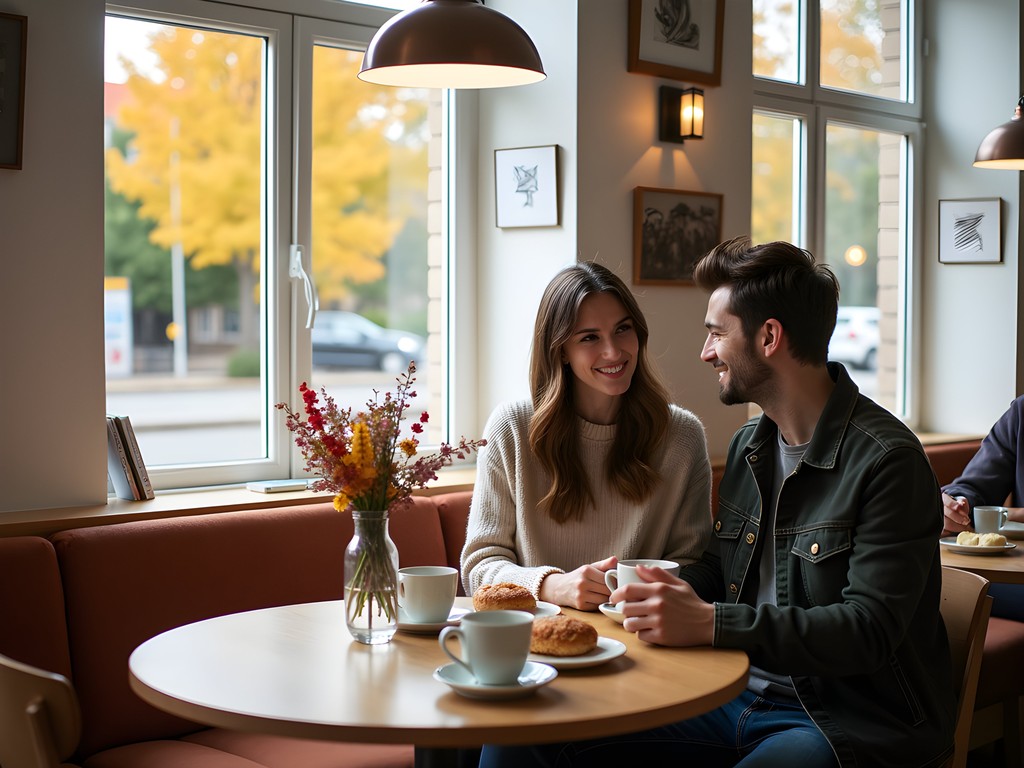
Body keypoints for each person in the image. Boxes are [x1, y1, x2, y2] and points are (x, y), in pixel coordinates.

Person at [480, 238, 955, 768]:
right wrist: (656, 587)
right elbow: (717, 568)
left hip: (844, 719)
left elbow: (868, 631)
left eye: (716, 334)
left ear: (769, 337)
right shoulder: (750, 445)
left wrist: (710, 623)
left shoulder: (887, 460)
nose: (706, 353)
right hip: (728, 693)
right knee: (520, 737)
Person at [460, 261, 712, 610]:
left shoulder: (681, 437)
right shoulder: (513, 427)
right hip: (536, 640)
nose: (613, 352)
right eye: (589, 337)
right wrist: (551, 585)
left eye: (623, 329)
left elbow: (694, 564)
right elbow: (479, 566)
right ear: (560, 349)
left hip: (641, 635)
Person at [942, 395, 1024, 619]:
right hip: (1014, 574)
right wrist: (955, 505)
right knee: (930, 585)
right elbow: (975, 484)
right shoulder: (1021, 412)